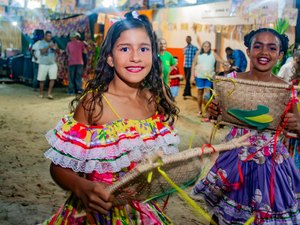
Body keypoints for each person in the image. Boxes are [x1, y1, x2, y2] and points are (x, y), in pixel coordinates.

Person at [42, 11, 180, 224]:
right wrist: (82, 187)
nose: (135, 57)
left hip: (141, 213)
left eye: (143, 48)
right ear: (109, 58)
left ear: (153, 55)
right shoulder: (94, 104)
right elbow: (58, 167)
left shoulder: (153, 100)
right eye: (125, 49)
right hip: (97, 215)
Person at [191, 28, 300, 225]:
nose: (264, 52)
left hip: (271, 165)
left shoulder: (286, 90)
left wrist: (296, 124)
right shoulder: (231, 82)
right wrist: (214, 111)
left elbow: (297, 127)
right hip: (233, 160)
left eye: (272, 48)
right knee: (222, 215)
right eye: (257, 46)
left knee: (264, 215)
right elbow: (218, 116)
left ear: (280, 55)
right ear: (248, 52)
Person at [191, 41, 224, 118]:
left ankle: (206, 111)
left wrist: (227, 63)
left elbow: (220, 60)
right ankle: (199, 109)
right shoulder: (198, 53)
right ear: (202, 47)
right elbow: (193, 64)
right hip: (199, 76)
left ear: (210, 47)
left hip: (209, 77)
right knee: (200, 93)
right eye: (205, 46)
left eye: (208, 46)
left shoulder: (213, 53)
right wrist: (192, 76)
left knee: (207, 95)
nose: (206, 47)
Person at [37, 30, 59, 99]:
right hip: (43, 63)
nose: (49, 37)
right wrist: (49, 47)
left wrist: (56, 47)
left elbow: (58, 51)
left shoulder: (53, 43)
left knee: (52, 78)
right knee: (41, 79)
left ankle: (49, 93)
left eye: (50, 36)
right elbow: (42, 52)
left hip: (52, 63)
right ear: (45, 36)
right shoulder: (41, 43)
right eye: (48, 36)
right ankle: (41, 93)